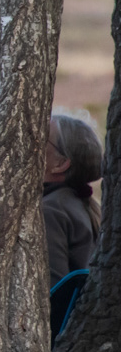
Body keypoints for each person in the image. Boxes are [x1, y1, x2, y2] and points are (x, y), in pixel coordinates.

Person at [45, 109, 102, 286]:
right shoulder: (75, 203)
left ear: (61, 164)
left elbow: (53, 292)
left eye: (40, 139)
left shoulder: (50, 210)